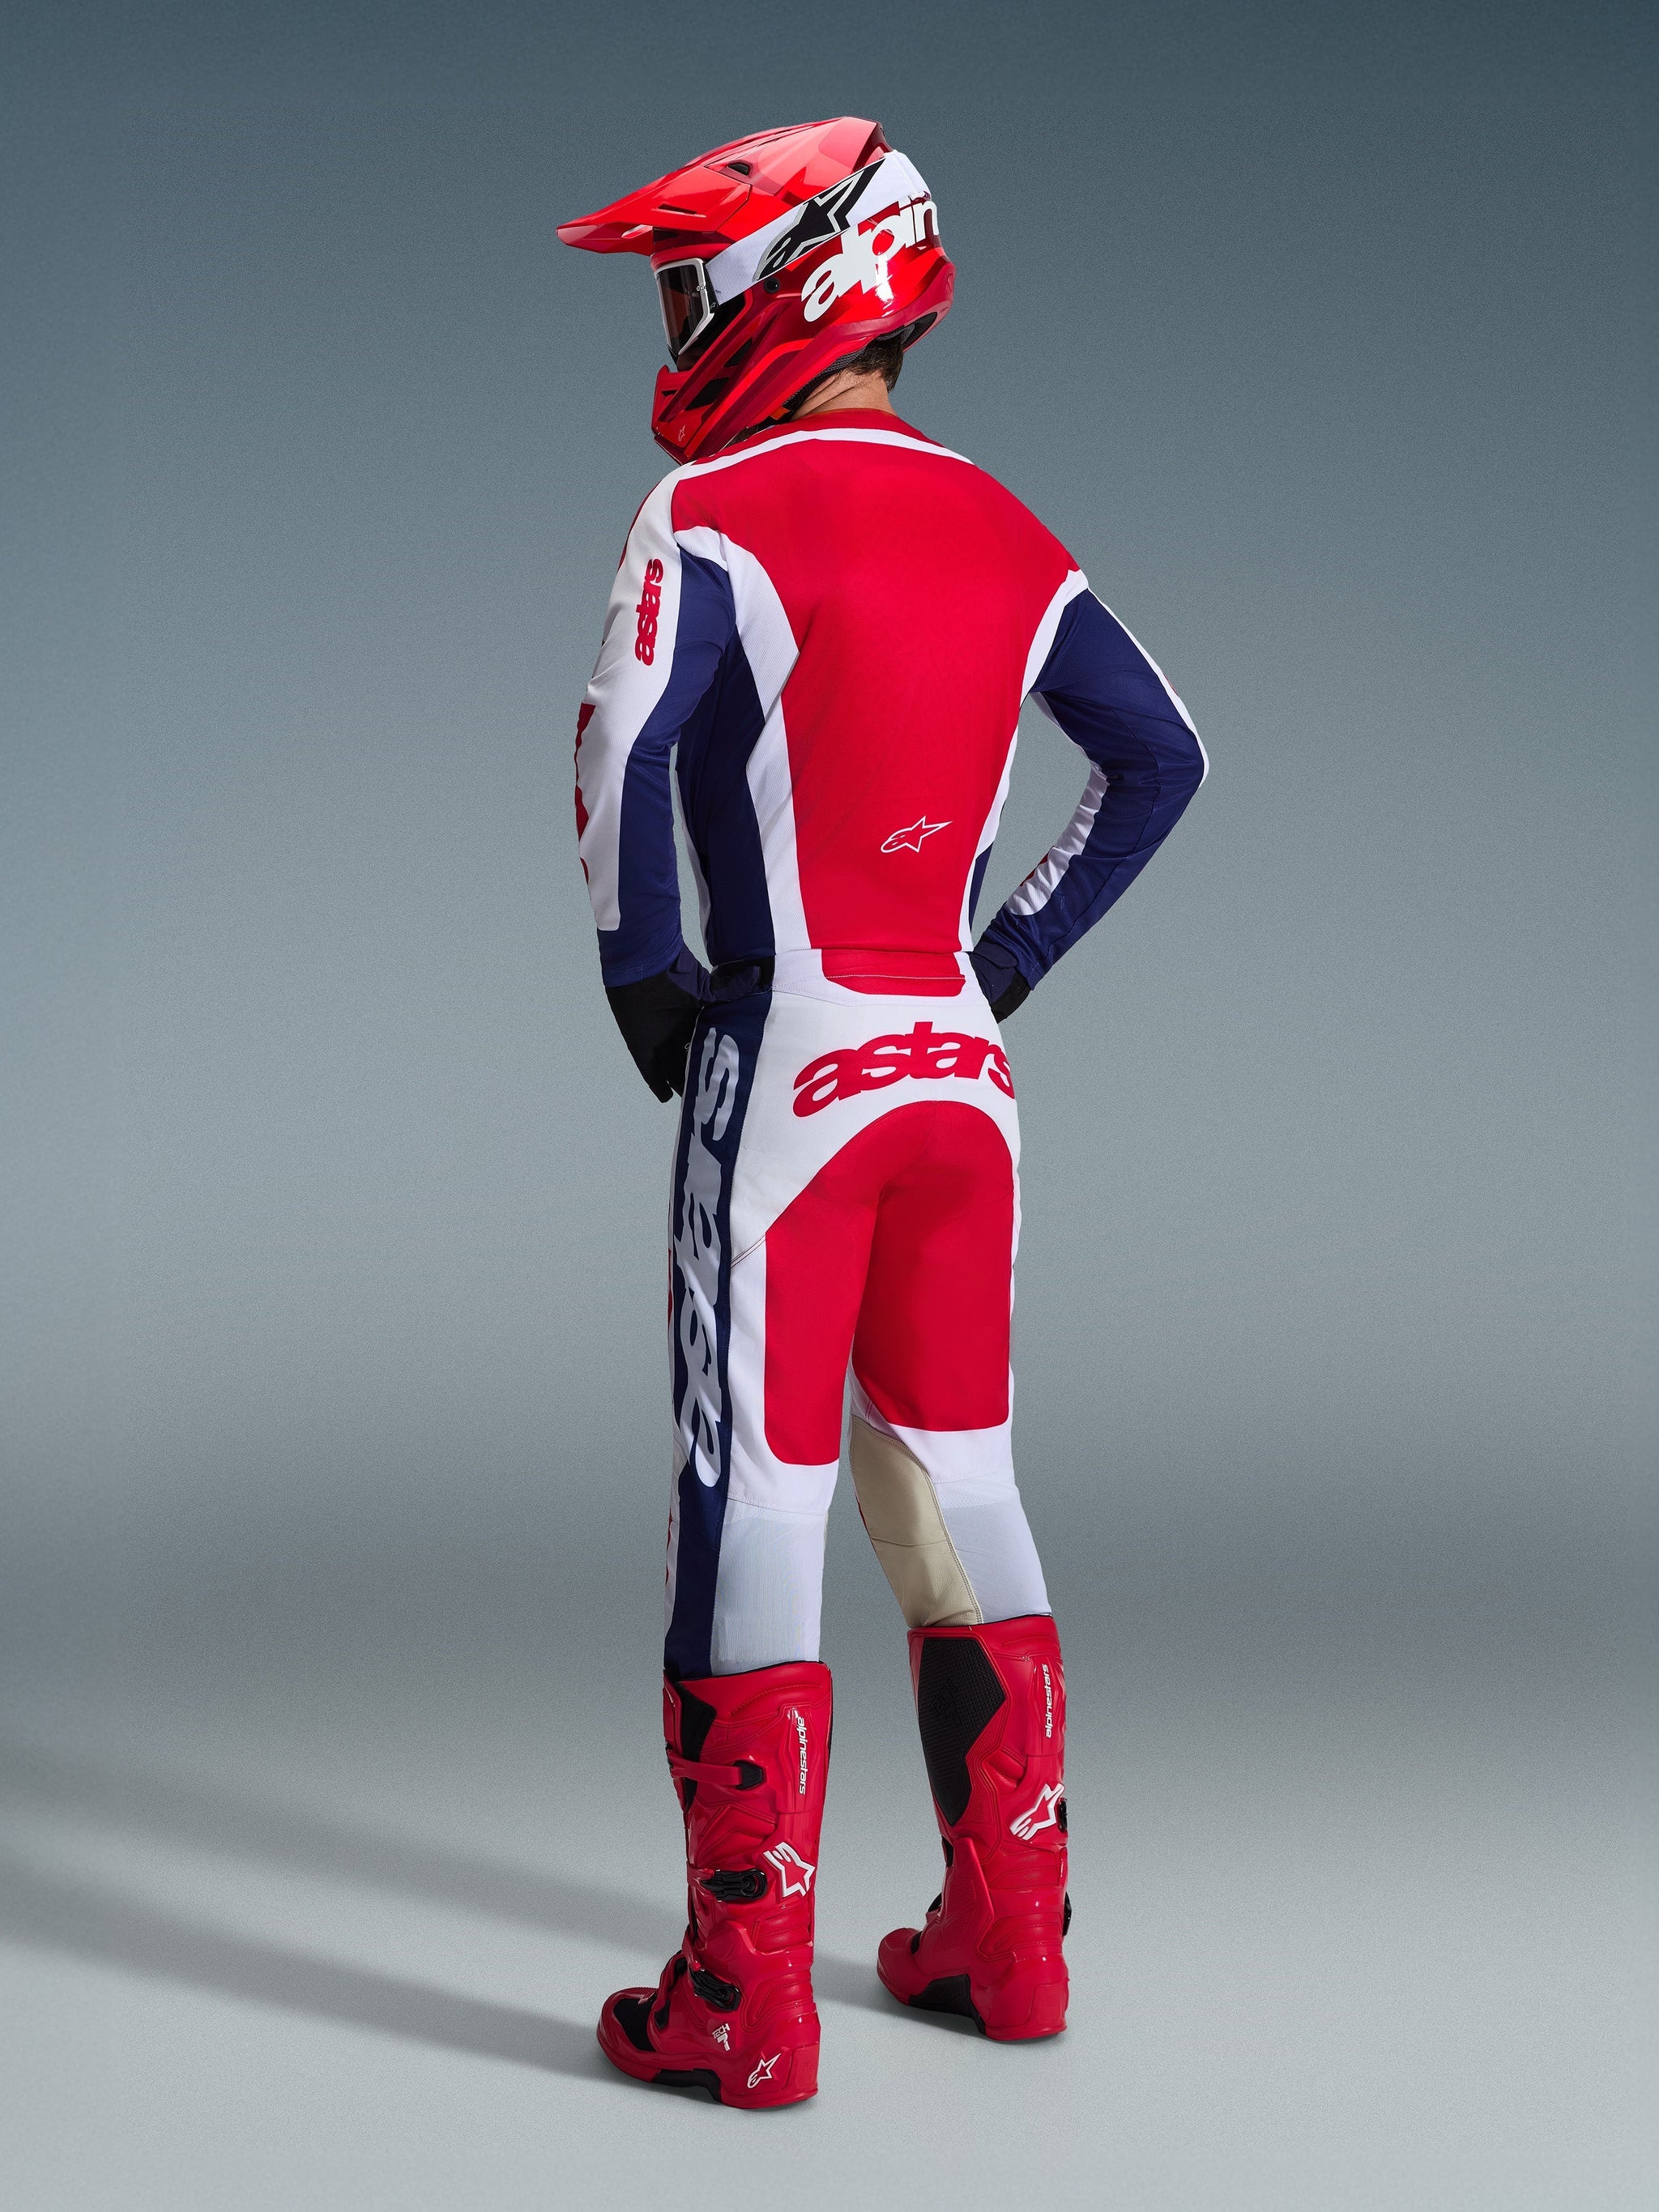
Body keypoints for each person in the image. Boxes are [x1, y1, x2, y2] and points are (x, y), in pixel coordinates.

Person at [560, 117, 1206, 2107]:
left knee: (750, 1495)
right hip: (960, 1082)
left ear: (793, 283)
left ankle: (744, 1999)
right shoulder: (1013, 528)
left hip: (794, 1072)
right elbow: (1161, 757)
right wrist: (997, 963)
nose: (680, 319)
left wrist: (651, 986)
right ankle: (1010, 1948)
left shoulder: (712, 515)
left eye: (696, 280)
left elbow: (613, 759)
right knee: (960, 1483)